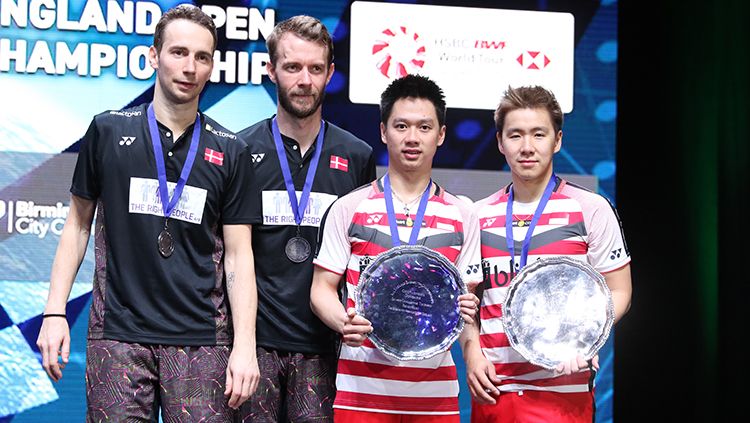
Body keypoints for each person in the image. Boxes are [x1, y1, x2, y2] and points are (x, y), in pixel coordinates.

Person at [36, 5, 260, 420]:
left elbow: (238, 254)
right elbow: (77, 226)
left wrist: (244, 343)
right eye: (178, 52)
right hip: (118, 336)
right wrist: (54, 312)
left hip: (202, 342)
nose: (189, 67)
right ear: (154, 56)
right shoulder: (107, 130)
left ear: (213, 66)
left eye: (202, 57)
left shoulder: (232, 150)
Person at [310, 74, 483, 422]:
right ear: (383, 132)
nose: (412, 138)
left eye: (424, 127)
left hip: (436, 394)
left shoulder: (463, 214)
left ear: (441, 134)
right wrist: (343, 322)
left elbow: (465, 309)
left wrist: (472, 341)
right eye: (401, 126)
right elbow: (320, 290)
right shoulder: (349, 207)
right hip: (360, 392)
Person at [236, 15, 376, 422]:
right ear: (271, 70)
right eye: (293, 67)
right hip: (253, 348)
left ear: (330, 73)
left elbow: (359, 257)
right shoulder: (239, 150)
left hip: (325, 348)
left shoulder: (357, 155)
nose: (305, 80)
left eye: (316, 69)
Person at [464, 85, 632, 422]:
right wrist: (471, 355)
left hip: (564, 390)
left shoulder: (591, 208)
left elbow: (620, 289)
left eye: (538, 134)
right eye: (515, 135)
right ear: (500, 142)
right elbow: (467, 301)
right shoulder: (476, 215)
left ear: (557, 140)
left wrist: (585, 337)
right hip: (496, 390)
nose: (527, 147)